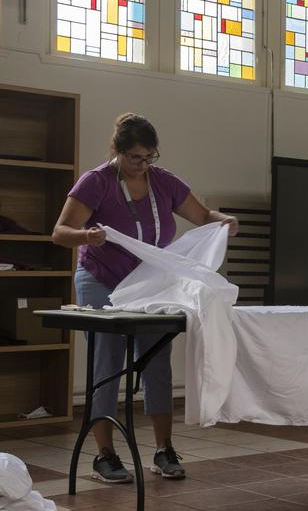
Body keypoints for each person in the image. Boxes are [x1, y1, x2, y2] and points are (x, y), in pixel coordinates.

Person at [52, 113, 238, 483]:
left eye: (149, 157)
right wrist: (86, 237)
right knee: (105, 364)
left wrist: (224, 221)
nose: (143, 165)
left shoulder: (164, 182)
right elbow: (60, 232)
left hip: (151, 283)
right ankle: (105, 454)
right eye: (135, 158)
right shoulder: (96, 182)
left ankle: (164, 449)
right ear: (117, 152)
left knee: (157, 361)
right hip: (102, 279)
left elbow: (202, 215)